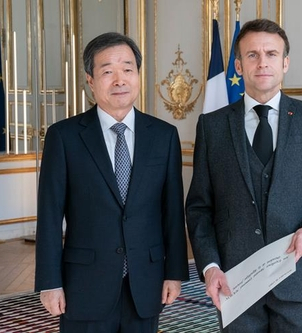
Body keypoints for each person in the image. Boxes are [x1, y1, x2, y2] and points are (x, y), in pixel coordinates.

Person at [186, 19, 302, 333]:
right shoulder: (212, 126)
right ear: (238, 64)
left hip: (299, 278)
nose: (262, 62)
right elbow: (199, 208)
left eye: (271, 54)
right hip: (236, 282)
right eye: (252, 55)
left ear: (285, 62)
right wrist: (209, 266)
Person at [35, 32, 189, 333]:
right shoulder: (64, 137)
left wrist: (175, 273)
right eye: (107, 71)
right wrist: (49, 282)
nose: (119, 80)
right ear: (91, 81)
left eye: (127, 69)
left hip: (146, 283)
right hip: (84, 285)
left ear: (138, 75)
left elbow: (172, 212)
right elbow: (50, 216)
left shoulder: (164, 136)